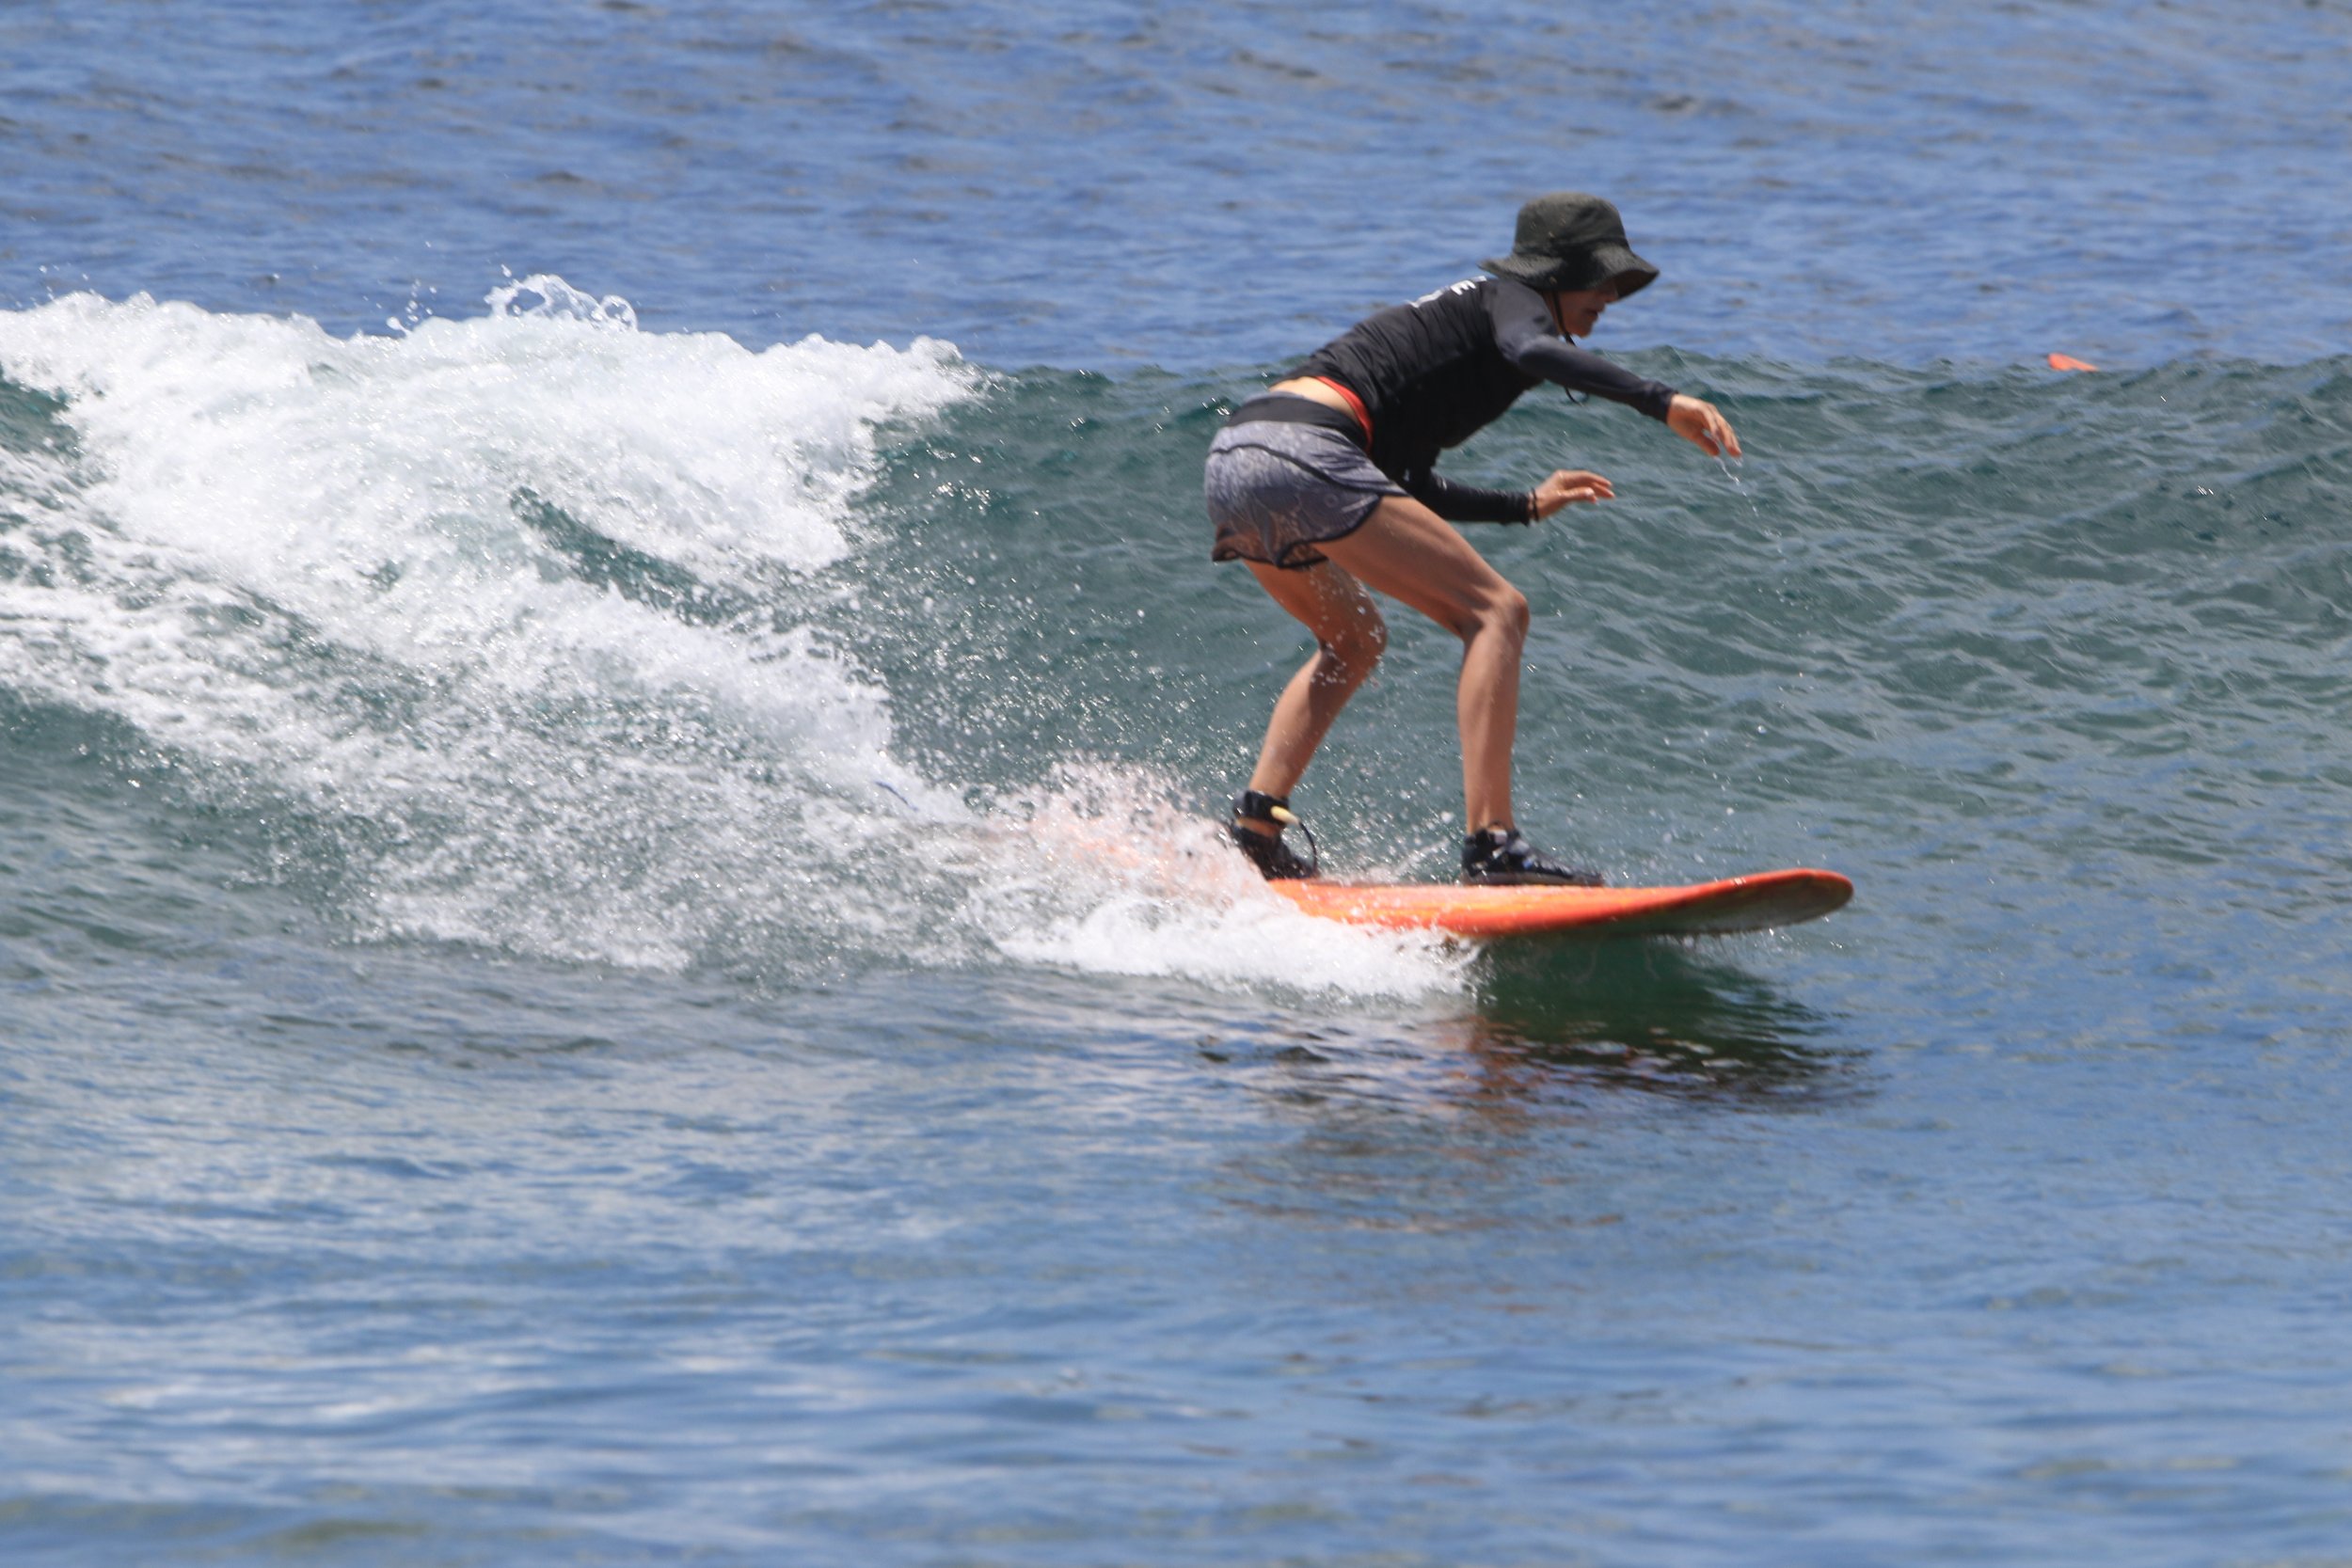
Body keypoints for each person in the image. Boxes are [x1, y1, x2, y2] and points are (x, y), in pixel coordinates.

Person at [1203, 191, 1743, 884]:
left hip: (1238, 455)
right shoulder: (1510, 300)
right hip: (1305, 450)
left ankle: (1255, 830)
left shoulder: (1458, 337)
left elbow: (1408, 484)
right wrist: (1660, 400)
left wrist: (1525, 505)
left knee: (1354, 639)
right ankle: (1493, 843)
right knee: (1497, 612)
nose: (1610, 296)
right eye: (1600, 276)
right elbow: (1530, 346)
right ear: (1554, 273)